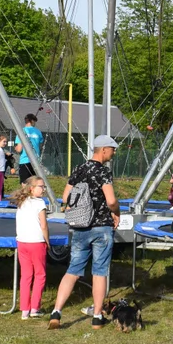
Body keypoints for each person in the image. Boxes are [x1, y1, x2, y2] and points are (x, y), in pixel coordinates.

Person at [49, 135, 121, 331]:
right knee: (99, 271)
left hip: (80, 226)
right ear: (104, 150)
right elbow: (111, 200)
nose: (113, 153)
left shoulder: (79, 169)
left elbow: (65, 197)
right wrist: (117, 213)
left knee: (72, 270)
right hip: (101, 227)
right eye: (112, 150)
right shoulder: (104, 172)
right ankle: (97, 317)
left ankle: (56, 312)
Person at [12, 176, 50, 320]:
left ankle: (24, 310)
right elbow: (44, 226)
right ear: (31, 188)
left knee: (26, 276)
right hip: (36, 242)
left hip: (22, 242)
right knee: (40, 274)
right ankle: (35, 308)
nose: (43, 189)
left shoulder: (22, 202)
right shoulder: (40, 203)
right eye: (41, 186)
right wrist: (48, 241)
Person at [13, 114, 45, 184]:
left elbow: (19, 149)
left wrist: (15, 147)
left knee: (25, 183)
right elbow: (40, 145)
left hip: (25, 160)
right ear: (32, 121)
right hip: (36, 160)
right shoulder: (38, 132)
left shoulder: (22, 131)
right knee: (33, 183)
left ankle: (26, 195)